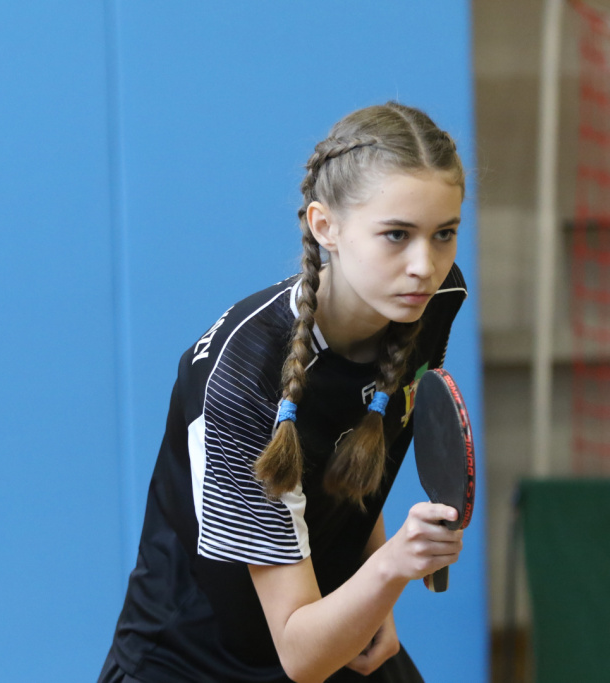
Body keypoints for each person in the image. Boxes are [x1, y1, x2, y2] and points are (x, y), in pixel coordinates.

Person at [99, 102, 469, 683]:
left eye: (444, 233)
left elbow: (357, 452)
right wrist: (393, 566)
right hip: (198, 660)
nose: (425, 265)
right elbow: (300, 657)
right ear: (326, 227)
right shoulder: (242, 380)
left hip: (325, 612)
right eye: (396, 235)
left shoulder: (433, 302)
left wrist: (373, 591)